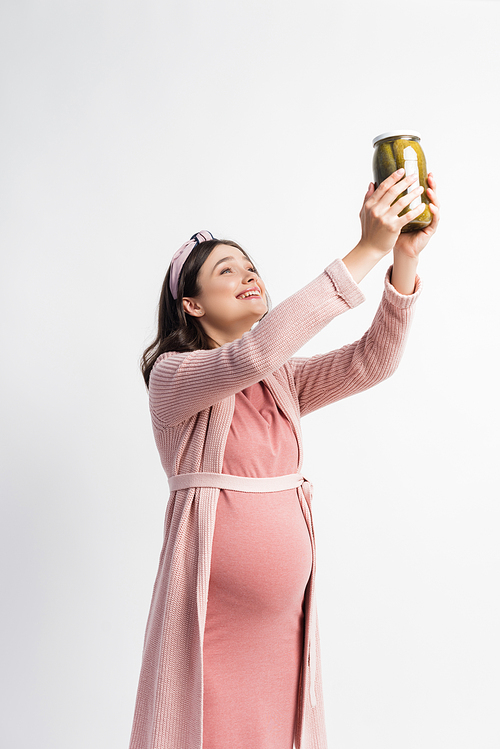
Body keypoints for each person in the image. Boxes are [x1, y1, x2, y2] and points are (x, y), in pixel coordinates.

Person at [129, 169, 440, 749]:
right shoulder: (175, 378)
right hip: (211, 628)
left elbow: (373, 362)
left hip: (280, 627)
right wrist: (366, 248)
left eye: (250, 267)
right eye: (227, 270)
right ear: (191, 305)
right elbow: (255, 351)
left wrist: (400, 260)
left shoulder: (281, 382)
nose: (248, 274)